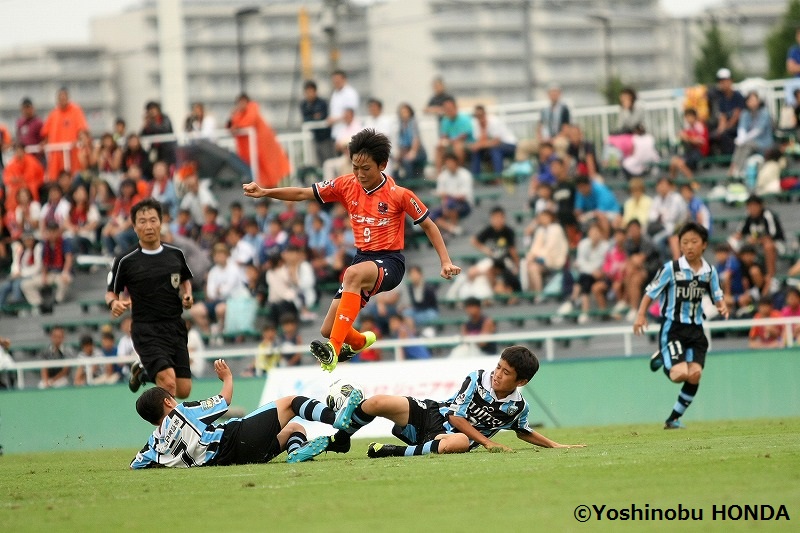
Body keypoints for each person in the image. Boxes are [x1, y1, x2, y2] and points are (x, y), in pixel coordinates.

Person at [243, 128, 461, 371]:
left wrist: (445, 261)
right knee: (328, 328)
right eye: (355, 167)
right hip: (362, 260)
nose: (359, 173)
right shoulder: (347, 184)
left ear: (383, 165)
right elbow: (303, 193)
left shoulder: (400, 195)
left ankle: (334, 351)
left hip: (390, 263)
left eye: (365, 168)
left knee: (351, 276)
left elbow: (429, 226)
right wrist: (265, 192)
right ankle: (358, 341)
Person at [289, 346, 584, 461]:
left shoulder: (517, 408)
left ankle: (394, 452)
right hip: (432, 414)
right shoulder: (478, 378)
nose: (497, 374)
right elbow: (456, 417)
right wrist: (488, 442)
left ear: (521, 382)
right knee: (376, 402)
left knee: (458, 443)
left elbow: (523, 431)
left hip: (451, 438)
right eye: (498, 366)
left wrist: (557, 446)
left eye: (506, 373)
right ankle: (341, 439)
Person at [131, 359, 346, 468]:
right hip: (235, 439)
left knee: (295, 428)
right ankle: (336, 418)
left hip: (234, 460)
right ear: (168, 401)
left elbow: (136, 464)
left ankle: (296, 452)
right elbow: (224, 401)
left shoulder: (154, 444)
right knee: (291, 403)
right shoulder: (181, 412)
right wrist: (227, 378)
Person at [633, 222, 729, 429]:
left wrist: (722, 306)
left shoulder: (709, 271)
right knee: (680, 374)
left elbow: (717, 293)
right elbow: (651, 291)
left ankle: (673, 419)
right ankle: (663, 357)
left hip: (696, 330)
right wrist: (641, 315)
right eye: (685, 242)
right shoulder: (671, 269)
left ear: (704, 244)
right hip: (673, 328)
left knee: (695, 374)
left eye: (694, 241)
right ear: (680, 245)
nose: (689, 246)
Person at [106, 198, 195, 398]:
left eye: (153, 220)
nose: (148, 226)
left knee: (183, 391)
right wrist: (114, 303)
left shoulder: (175, 254)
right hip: (146, 329)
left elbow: (185, 280)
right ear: (135, 226)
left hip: (175, 327)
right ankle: (169, 429)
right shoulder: (125, 260)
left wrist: (187, 294)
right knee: (169, 383)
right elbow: (111, 292)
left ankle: (143, 372)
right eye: (142, 221)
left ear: (161, 223)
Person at [229, 93, 290, 188]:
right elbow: (232, 126)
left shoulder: (252, 108)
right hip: (255, 151)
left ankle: (277, 195)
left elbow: (249, 121)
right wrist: (233, 117)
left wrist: (237, 125)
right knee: (262, 175)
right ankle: (267, 196)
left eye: (243, 102)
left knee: (272, 173)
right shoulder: (239, 114)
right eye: (239, 102)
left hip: (265, 147)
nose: (241, 105)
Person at [730, 195, 785, 297]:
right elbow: (739, 233)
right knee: (736, 247)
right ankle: (744, 278)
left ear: (760, 206)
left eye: (754, 206)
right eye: (749, 206)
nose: (752, 209)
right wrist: (734, 240)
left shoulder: (767, 215)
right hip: (756, 247)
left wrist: (756, 240)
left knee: (768, 246)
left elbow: (772, 235)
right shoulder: (748, 217)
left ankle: (771, 277)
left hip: (776, 244)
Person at [41, 87, 88, 181]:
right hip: (56, 155)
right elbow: (45, 133)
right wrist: (44, 144)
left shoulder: (76, 110)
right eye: (60, 98)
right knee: (54, 179)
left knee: (74, 177)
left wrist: (82, 140)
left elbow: (82, 129)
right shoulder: (53, 114)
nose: (62, 100)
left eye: (64, 97)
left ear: (68, 98)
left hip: (72, 153)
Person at [729, 92, 774, 178]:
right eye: (750, 100)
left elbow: (757, 131)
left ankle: (737, 169)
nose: (752, 102)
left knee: (745, 144)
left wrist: (743, 140)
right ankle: (736, 169)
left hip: (764, 143)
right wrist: (740, 139)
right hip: (750, 143)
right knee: (742, 146)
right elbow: (741, 128)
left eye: (754, 100)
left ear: (758, 101)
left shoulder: (764, 113)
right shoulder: (745, 113)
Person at [431, 153, 474, 236]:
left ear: (456, 163)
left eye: (451, 162)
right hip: (447, 203)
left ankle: (453, 228)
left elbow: (463, 196)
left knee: (451, 203)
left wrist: (448, 195)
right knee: (428, 215)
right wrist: (444, 206)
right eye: (447, 163)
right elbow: (441, 195)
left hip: (465, 204)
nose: (449, 165)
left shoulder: (465, 175)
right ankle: (452, 229)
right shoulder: (443, 176)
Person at [468, 105, 517, 176]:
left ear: (485, 114)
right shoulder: (475, 123)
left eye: (481, 115)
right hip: (492, 146)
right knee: (476, 151)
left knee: (495, 149)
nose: (479, 118)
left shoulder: (494, 121)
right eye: (477, 116)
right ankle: (476, 176)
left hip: (509, 144)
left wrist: (480, 145)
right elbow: (479, 141)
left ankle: (499, 176)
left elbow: (496, 142)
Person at [708, 68, 745, 156]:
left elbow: (737, 116)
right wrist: (719, 130)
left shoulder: (737, 96)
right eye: (721, 81)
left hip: (740, 126)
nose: (723, 84)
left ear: (731, 81)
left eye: (725, 81)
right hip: (729, 127)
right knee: (713, 135)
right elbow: (723, 117)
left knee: (725, 134)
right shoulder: (722, 99)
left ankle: (730, 156)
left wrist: (725, 128)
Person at [434, 96, 473, 174]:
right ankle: (439, 174)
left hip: (466, 143)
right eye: (446, 109)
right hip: (452, 143)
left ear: (455, 107)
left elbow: (464, 136)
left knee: (458, 147)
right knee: (439, 147)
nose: (448, 110)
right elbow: (444, 135)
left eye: (449, 108)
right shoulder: (445, 120)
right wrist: (443, 142)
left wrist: (451, 141)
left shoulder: (464, 118)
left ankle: (458, 171)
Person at [300, 80, 334, 166]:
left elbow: (323, 116)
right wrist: (313, 117)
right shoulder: (304, 104)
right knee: (316, 163)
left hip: (325, 137)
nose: (309, 94)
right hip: (313, 138)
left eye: (311, 91)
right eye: (307, 92)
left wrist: (313, 117)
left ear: (315, 91)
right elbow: (305, 119)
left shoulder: (322, 103)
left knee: (328, 161)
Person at [669, 108, 709, 182]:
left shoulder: (700, 127)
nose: (688, 119)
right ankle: (672, 184)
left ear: (694, 117)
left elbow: (700, 142)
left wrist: (687, 138)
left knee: (679, 163)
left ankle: (693, 183)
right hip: (689, 152)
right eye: (686, 117)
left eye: (690, 117)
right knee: (674, 161)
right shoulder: (688, 128)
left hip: (699, 152)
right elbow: (679, 137)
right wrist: (683, 137)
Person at [327, 70, 360, 143]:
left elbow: (350, 113)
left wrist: (334, 120)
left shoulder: (350, 93)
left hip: (348, 132)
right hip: (337, 131)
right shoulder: (335, 93)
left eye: (338, 80)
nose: (336, 82)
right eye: (334, 80)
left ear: (344, 79)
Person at [394, 103, 426, 179]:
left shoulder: (413, 123)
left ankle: (410, 184)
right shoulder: (400, 125)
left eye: (406, 112)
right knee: (395, 163)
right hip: (406, 150)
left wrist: (413, 152)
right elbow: (401, 142)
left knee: (407, 161)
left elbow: (416, 139)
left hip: (418, 151)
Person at [140, 101, 177, 167]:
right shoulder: (149, 122)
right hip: (155, 149)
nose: (152, 111)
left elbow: (165, 129)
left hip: (167, 149)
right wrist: (145, 125)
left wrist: (151, 123)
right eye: (150, 110)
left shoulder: (165, 118)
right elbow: (142, 135)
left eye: (153, 109)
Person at [16, 98, 44, 163]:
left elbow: (44, 138)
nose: (26, 110)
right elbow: (18, 138)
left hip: (37, 157)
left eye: (28, 108)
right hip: (24, 158)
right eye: (24, 108)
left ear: (32, 108)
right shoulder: (20, 123)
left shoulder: (38, 123)